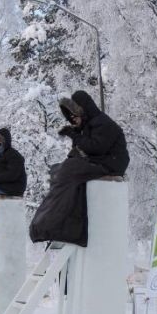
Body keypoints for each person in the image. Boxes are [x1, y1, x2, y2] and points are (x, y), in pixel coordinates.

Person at [29, 90, 130, 247]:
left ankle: (52, 223)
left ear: (82, 111)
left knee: (69, 168)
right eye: (70, 119)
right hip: (99, 162)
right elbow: (80, 151)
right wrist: (76, 136)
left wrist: (74, 135)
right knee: (57, 170)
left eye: (74, 117)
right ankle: (59, 225)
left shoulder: (102, 122)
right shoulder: (87, 126)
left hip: (111, 164)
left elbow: (95, 148)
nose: (72, 121)